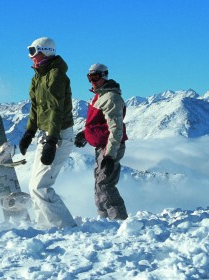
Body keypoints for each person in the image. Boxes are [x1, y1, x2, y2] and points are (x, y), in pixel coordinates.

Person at [18, 37, 77, 229]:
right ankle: (45, 226)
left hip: (58, 134)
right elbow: (36, 109)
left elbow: (55, 109)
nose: (30, 57)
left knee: (40, 187)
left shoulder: (56, 75)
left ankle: (66, 227)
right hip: (47, 134)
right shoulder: (38, 76)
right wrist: (29, 133)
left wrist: (52, 139)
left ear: (45, 51)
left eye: (33, 51)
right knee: (33, 186)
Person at [74, 63, 129, 220]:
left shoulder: (111, 98)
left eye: (95, 77)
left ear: (104, 76)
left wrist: (110, 156)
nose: (92, 81)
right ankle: (104, 220)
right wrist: (86, 134)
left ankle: (118, 220)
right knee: (100, 184)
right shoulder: (99, 96)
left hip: (110, 147)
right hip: (102, 147)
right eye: (89, 77)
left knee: (105, 184)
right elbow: (100, 124)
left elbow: (115, 129)